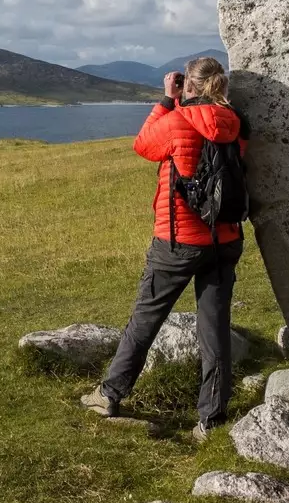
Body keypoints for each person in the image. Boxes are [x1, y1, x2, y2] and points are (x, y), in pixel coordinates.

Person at [81, 54, 247, 439]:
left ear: (188, 85)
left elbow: (143, 145)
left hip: (178, 241)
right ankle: (211, 418)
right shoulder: (237, 123)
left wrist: (166, 101)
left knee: (146, 317)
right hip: (225, 238)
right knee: (215, 327)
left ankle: (110, 393)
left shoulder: (175, 120)